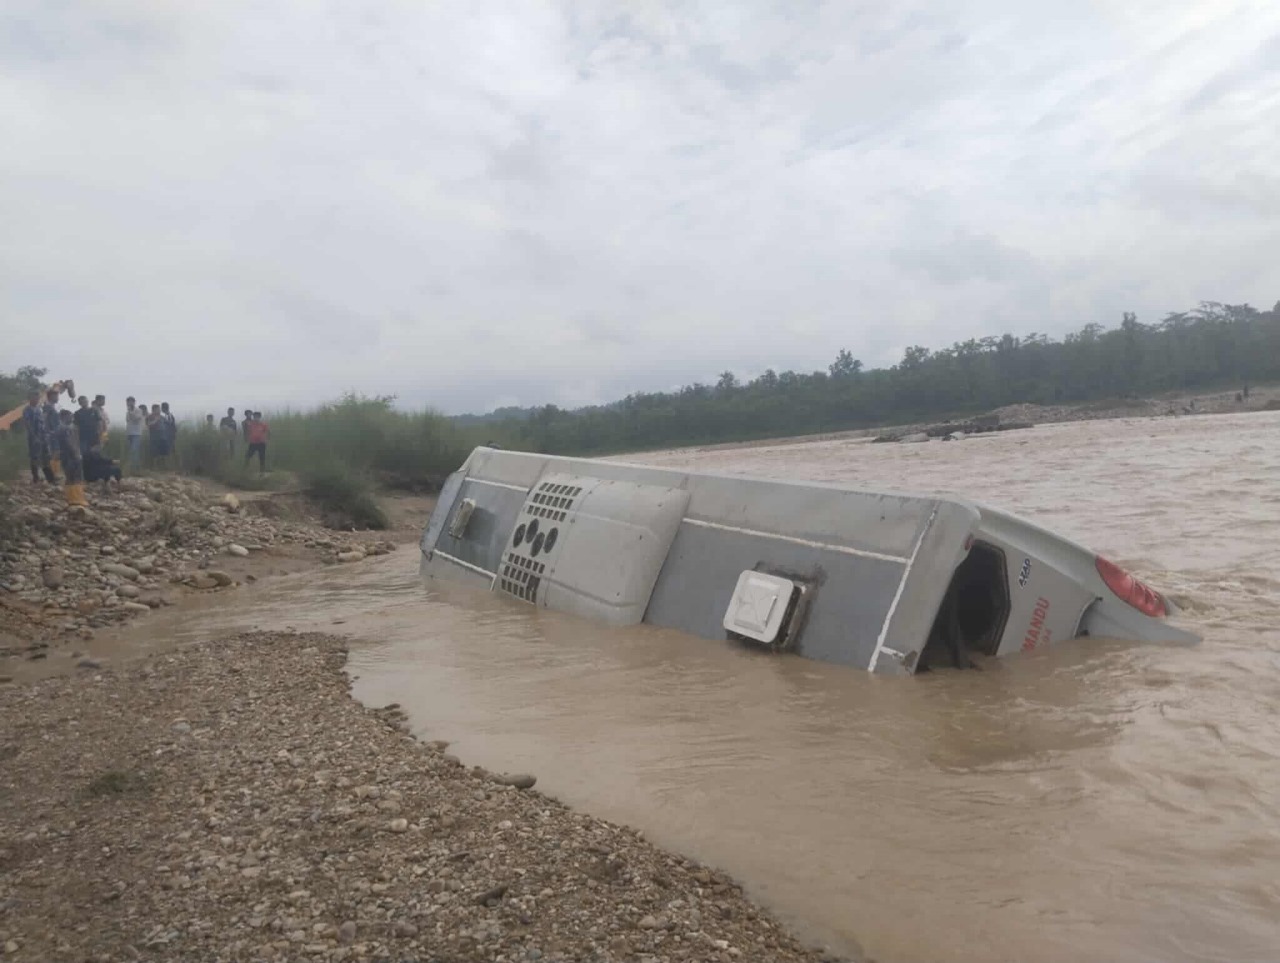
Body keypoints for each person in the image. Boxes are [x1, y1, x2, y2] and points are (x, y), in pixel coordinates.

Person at [55, 409, 88, 507]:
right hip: (70, 456)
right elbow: (70, 443)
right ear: (64, 417)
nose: (71, 418)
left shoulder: (61, 428)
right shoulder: (65, 429)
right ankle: (76, 498)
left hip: (67, 455)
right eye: (69, 416)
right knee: (75, 477)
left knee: (70, 477)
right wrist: (76, 453)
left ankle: (72, 498)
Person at [22, 391, 55, 484]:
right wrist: (34, 437)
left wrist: (47, 434)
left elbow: (43, 423)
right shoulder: (27, 410)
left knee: (46, 457)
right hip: (34, 437)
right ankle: (35, 477)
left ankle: (50, 478)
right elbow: (27, 424)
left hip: (43, 437)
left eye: (37, 398)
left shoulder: (39, 409)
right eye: (35, 397)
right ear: (30, 398)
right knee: (35, 457)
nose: (36, 400)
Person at [42, 389, 62, 479]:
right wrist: (47, 432)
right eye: (56, 396)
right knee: (53, 453)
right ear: (51, 396)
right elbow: (44, 419)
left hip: (56, 434)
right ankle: (53, 474)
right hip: (51, 434)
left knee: (57, 453)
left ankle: (55, 473)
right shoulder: (47, 407)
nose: (57, 397)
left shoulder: (53, 407)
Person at [124, 397, 145, 470]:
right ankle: (132, 467)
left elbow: (136, 419)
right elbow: (127, 420)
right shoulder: (127, 412)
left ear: (134, 402)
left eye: (130, 402)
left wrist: (130, 412)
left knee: (134, 449)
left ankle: (135, 467)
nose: (129, 403)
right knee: (131, 450)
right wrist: (129, 412)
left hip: (136, 433)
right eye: (127, 402)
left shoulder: (139, 410)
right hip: (129, 433)